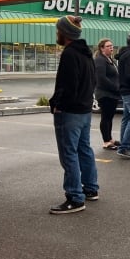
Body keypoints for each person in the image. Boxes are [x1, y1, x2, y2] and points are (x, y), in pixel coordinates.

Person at [48, 15, 99, 213]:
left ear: (64, 33)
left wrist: (58, 104)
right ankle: (90, 188)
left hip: (69, 112)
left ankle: (75, 197)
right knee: (84, 149)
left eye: (58, 30)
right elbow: (92, 82)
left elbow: (68, 85)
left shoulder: (69, 54)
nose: (57, 34)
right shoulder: (86, 54)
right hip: (84, 110)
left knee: (69, 154)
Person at [94, 38, 120, 150]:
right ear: (102, 48)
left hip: (113, 94)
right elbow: (101, 78)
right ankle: (106, 141)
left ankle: (110, 139)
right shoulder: (100, 60)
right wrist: (115, 88)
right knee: (105, 117)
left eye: (112, 46)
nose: (111, 48)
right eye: (108, 46)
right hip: (105, 94)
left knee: (110, 117)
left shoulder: (110, 59)